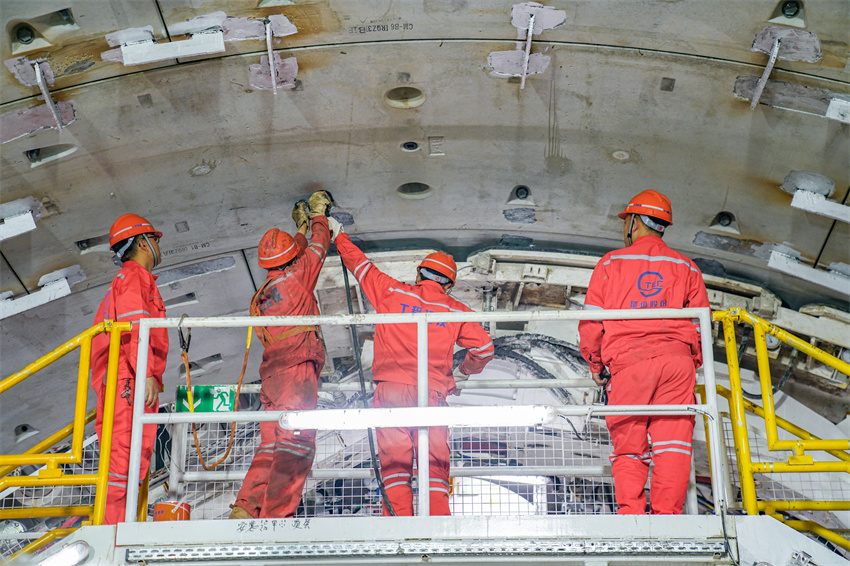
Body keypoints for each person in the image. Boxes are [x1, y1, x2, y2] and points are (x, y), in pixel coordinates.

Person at [331, 223, 495, 516]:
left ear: (419, 274)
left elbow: (359, 265)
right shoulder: (456, 311)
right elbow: (484, 350)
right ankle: (438, 532)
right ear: (449, 285)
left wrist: (337, 234)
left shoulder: (391, 292)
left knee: (394, 464)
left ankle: (397, 531)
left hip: (390, 392)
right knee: (434, 465)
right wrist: (466, 370)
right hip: (431, 396)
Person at [578, 189, 710, 515]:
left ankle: (632, 516)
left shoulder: (610, 263)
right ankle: (667, 515)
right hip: (677, 363)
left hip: (629, 365)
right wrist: (690, 362)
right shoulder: (687, 267)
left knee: (629, 447)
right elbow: (702, 326)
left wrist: (595, 364)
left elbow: (592, 323)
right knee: (673, 445)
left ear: (634, 222)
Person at [229, 191, 331, 519]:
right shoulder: (298, 280)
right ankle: (275, 521)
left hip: (272, 379)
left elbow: (297, 255)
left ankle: (245, 509)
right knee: (296, 447)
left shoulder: (262, 296)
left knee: (270, 447)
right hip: (295, 373)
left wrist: (298, 229)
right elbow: (318, 247)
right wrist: (318, 215)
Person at [90, 213, 168, 524]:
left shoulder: (130, 280)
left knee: (130, 458)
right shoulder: (134, 277)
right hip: (130, 378)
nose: (159, 245)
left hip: (125, 377)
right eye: (156, 239)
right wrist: (147, 373)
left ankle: (119, 528)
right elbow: (138, 326)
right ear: (142, 242)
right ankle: (114, 536)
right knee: (125, 457)